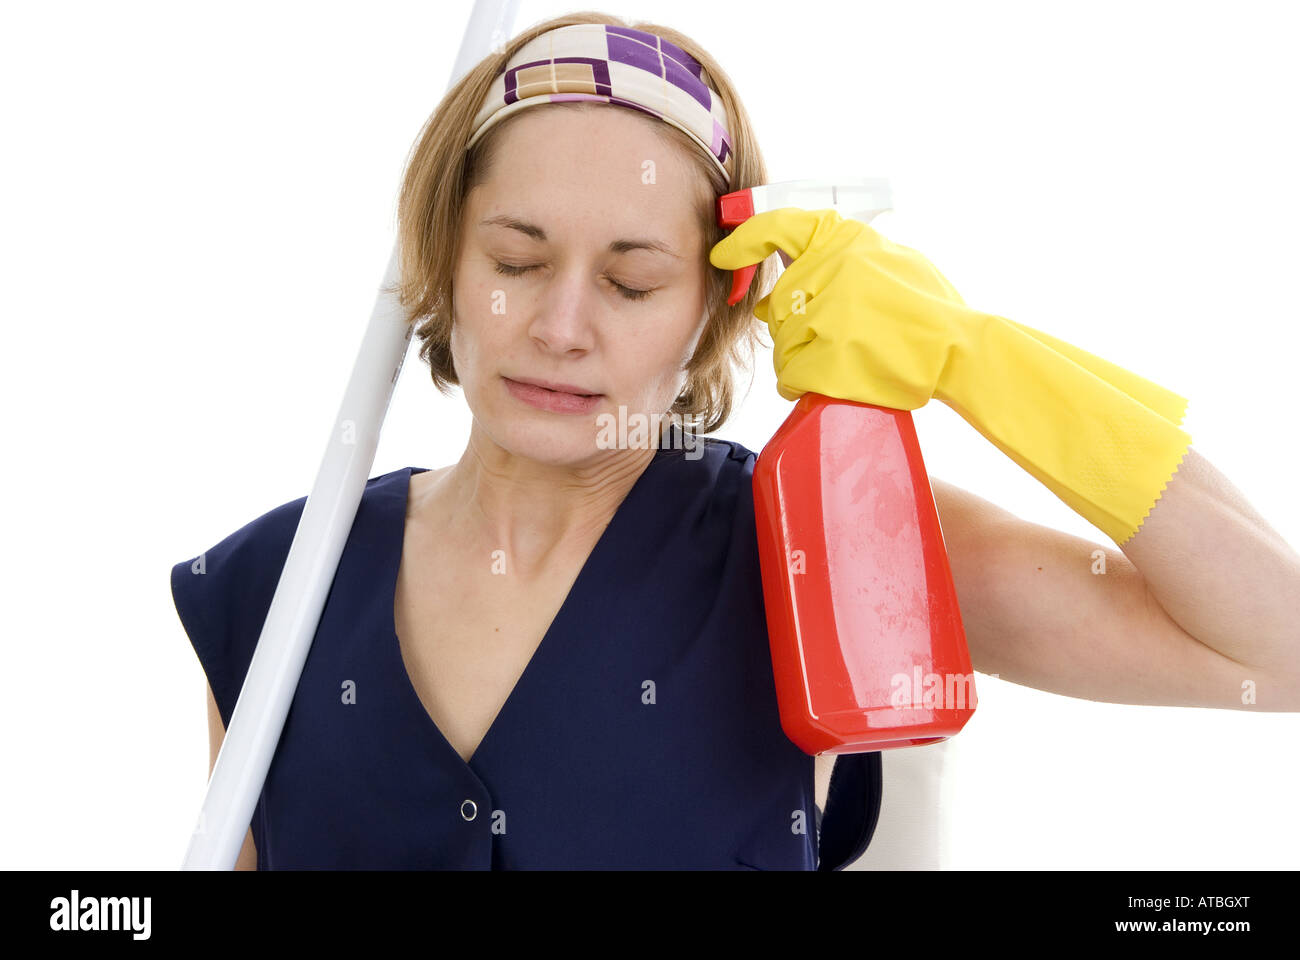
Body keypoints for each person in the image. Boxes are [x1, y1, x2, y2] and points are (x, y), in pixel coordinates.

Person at [172, 12, 1300, 871]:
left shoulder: (826, 551)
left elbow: (1274, 651)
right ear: (443, 263)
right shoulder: (279, 584)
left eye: (631, 279)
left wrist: (975, 360)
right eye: (515, 260)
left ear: (715, 309)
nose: (561, 327)